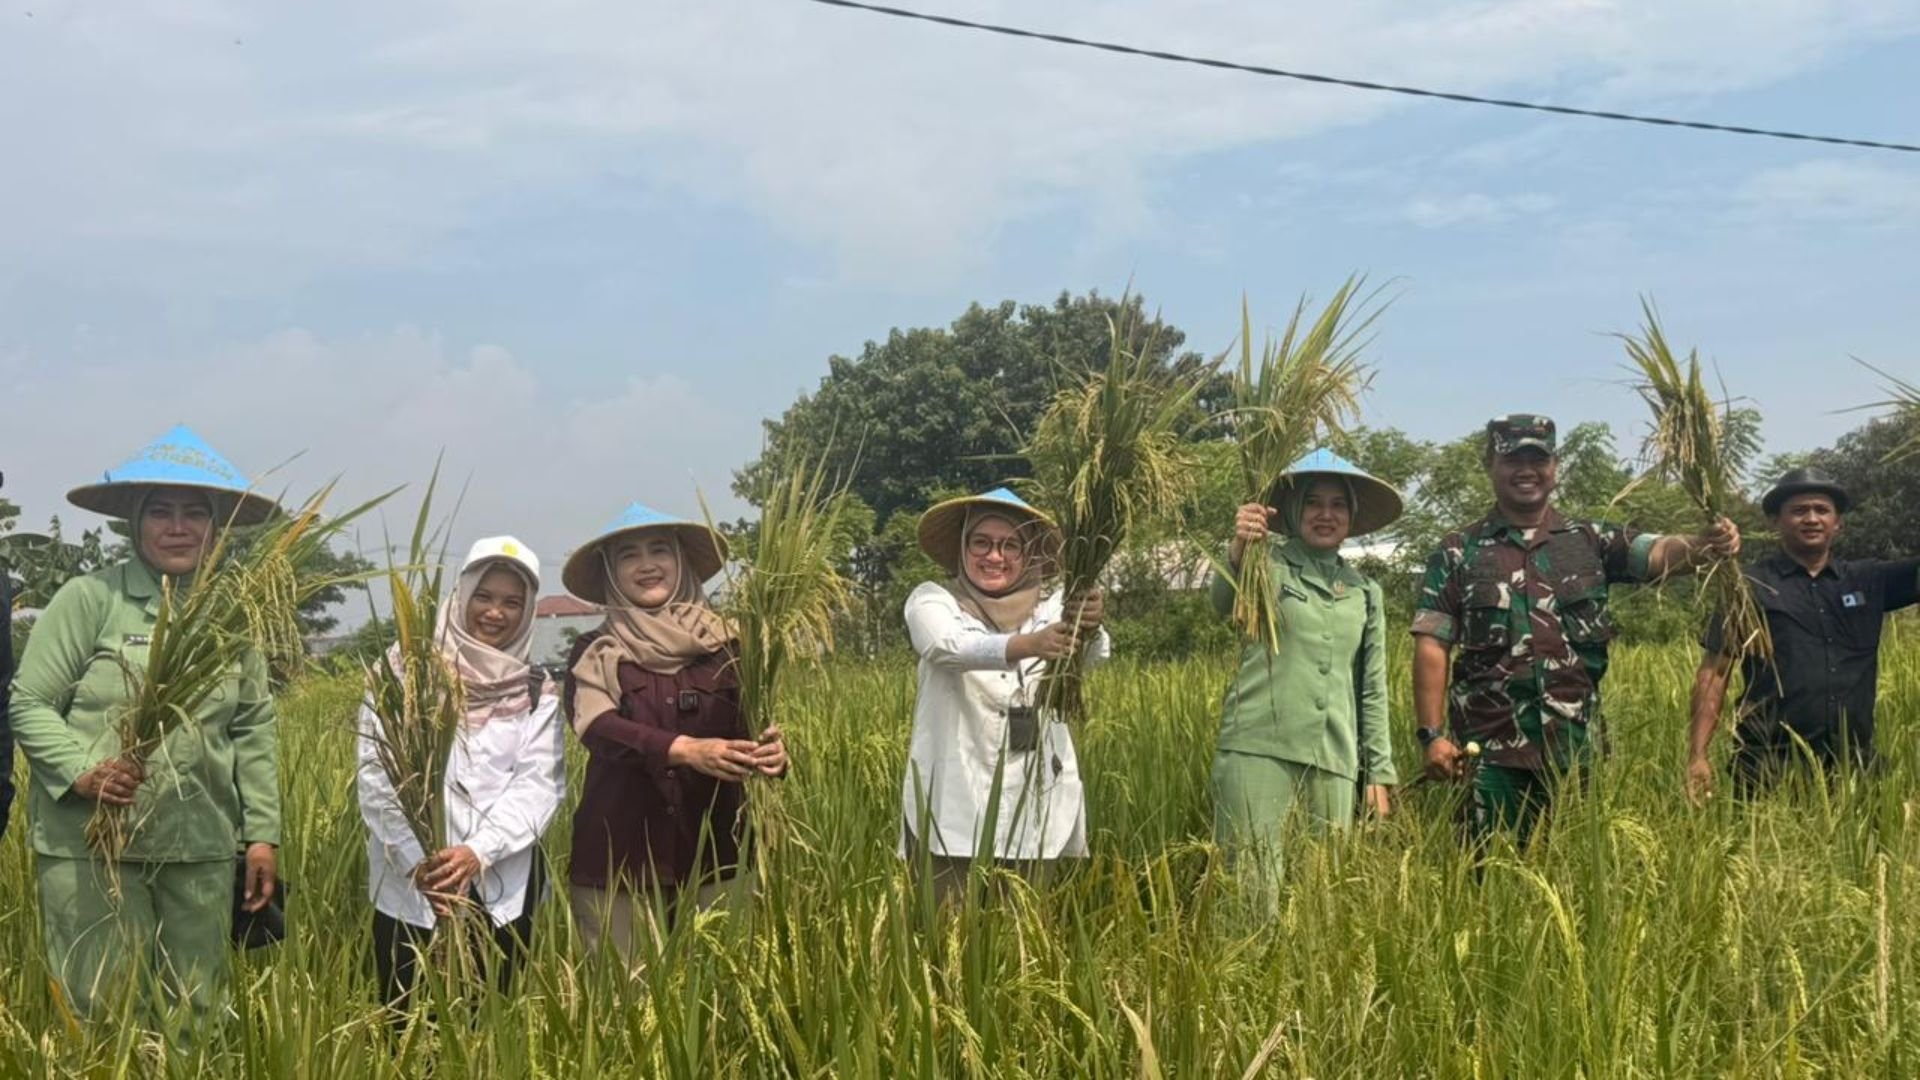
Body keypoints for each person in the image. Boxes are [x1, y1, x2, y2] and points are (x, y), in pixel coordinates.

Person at [8, 425, 281, 1026]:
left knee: (196, 1011)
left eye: (195, 513)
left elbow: (253, 728)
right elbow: (29, 702)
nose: (178, 527)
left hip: (199, 845)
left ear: (216, 527)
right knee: (101, 1008)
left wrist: (262, 834)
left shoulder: (231, 616)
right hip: (92, 846)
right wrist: (83, 772)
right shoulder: (90, 599)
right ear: (134, 523)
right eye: (161, 512)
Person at [1410, 414, 1739, 847]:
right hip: (1488, 753)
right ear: (1490, 464)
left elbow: (1658, 552)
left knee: (1572, 871)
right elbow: (1432, 644)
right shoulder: (1458, 550)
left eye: (1538, 459)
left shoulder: (1590, 540)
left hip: (1577, 749)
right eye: (1512, 459)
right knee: (1484, 872)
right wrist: (1432, 736)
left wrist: (1704, 544)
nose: (1526, 470)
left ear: (1555, 466)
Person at [560, 504, 786, 964]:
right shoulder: (595, 650)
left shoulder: (732, 645)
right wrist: (682, 749)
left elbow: (752, 725)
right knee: (625, 994)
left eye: (659, 550)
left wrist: (773, 754)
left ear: (681, 560)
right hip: (620, 859)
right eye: (629, 555)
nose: (646, 564)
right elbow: (597, 728)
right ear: (611, 572)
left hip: (720, 854)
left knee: (724, 985)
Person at [356, 536, 566, 1010]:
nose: (495, 612)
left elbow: (539, 784)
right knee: (406, 1019)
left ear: (528, 611)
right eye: (483, 596)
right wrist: (419, 862)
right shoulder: (404, 673)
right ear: (461, 594)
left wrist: (478, 851)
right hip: (412, 886)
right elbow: (376, 774)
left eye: (512, 602)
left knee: (493, 1018)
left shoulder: (535, 688)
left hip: (501, 885)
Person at [901, 487, 1108, 905]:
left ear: (1028, 554)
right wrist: (1029, 645)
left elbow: (1095, 655)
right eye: (981, 542)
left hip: (1037, 808)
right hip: (951, 809)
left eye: (1010, 545)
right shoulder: (933, 601)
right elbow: (947, 646)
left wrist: (1089, 624)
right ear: (962, 549)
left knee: (1024, 933)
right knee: (946, 933)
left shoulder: (1055, 609)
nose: (994, 556)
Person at [1211, 449, 1401, 901]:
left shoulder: (1365, 592)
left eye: (1338, 505)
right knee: (1254, 891)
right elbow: (1222, 603)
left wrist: (1378, 773)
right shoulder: (1267, 565)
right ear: (1294, 510)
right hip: (1259, 746)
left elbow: (1372, 690)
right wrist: (1240, 547)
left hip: (1334, 757)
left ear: (1351, 515)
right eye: (1313, 503)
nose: (1325, 514)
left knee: (1322, 898)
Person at [1687, 467, 1919, 800]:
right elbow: (1715, 672)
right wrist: (1697, 755)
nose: (1811, 518)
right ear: (1776, 521)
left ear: (1838, 522)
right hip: (1768, 769)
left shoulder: (1868, 580)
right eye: (1799, 511)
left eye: (1822, 510)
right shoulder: (1748, 587)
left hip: (1855, 769)